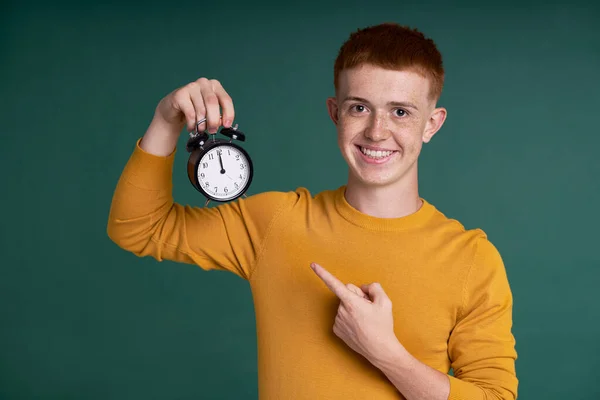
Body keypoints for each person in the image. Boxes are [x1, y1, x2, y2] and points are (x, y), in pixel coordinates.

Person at [107, 22, 518, 400]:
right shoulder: (276, 222)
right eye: (359, 107)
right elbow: (139, 228)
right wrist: (166, 120)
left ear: (432, 124)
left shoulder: (472, 260)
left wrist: (386, 354)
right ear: (334, 112)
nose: (377, 131)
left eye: (400, 112)